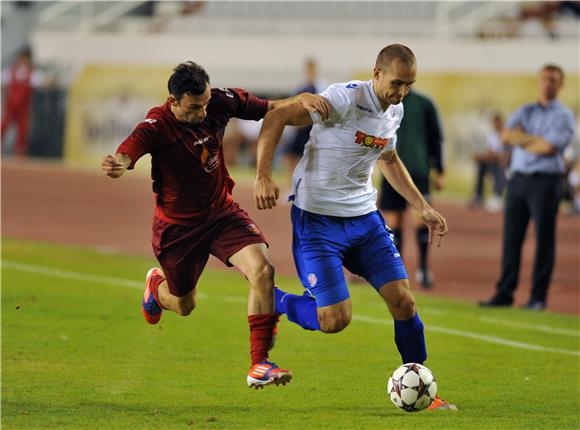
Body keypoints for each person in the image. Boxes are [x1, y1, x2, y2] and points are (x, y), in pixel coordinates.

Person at [101, 61, 329, 388]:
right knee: (184, 304)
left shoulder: (219, 102)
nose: (203, 111)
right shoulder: (157, 125)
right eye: (195, 107)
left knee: (263, 270)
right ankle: (155, 287)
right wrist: (118, 164)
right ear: (173, 100)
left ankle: (259, 363)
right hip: (178, 230)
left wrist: (302, 98)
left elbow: (269, 107)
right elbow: (129, 151)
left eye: (205, 102)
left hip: (221, 213)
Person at [254, 44, 455, 410]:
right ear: (376, 73)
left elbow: (389, 158)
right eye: (396, 83)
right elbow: (276, 117)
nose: (402, 92)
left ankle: (423, 387)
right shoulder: (343, 99)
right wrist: (263, 176)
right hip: (318, 222)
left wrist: (421, 207)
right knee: (333, 320)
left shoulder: (395, 110)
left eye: (409, 85)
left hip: (364, 220)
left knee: (404, 301)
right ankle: (278, 301)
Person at [480, 64, 575, 311]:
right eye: (545, 79)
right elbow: (506, 137)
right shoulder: (526, 109)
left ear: (560, 84)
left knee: (544, 240)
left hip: (546, 181)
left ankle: (538, 297)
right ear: (538, 81)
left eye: (553, 80)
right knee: (512, 239)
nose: (548, 83)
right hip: (519, 179)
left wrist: (522, 140)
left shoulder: (563, 115)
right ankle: (504, 292)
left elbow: (549, 148)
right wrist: (533, 140)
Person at [378, 89, 444, 289]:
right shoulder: (384, 103)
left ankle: (423, 267)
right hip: (391, 171)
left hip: (418, 170)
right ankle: (398, 270)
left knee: (420, 220)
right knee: (394, 221)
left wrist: (439, 170)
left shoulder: (424, 103)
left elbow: (436, 138)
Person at [281, 58, 328, 188]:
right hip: (299, 127)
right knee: (290, 157)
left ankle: (309, 188)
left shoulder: (321, 86)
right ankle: (292, 187)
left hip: (313, 126)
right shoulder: (301, 86)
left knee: (312, 159)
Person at [1, 46, 45, 156]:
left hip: (23, 108)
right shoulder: (10, 71)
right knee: (3, 127)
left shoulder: (32, 73)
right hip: (10, 106)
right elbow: (3, 84)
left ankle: (20, 153)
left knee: (22, 131)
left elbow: (41, 83)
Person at [468, 113, 509, 212]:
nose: (495, 125)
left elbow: (506, 153)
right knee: (482, 165)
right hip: (495, 162)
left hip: (506, 163)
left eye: (497, 122)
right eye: (494, 123)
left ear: (501, 122)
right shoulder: (492, 135)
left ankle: (497, 196)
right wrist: (482, 158)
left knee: (501, 165)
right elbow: (491, 153)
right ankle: (478, 196)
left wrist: (483, 157)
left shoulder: (507, 134)